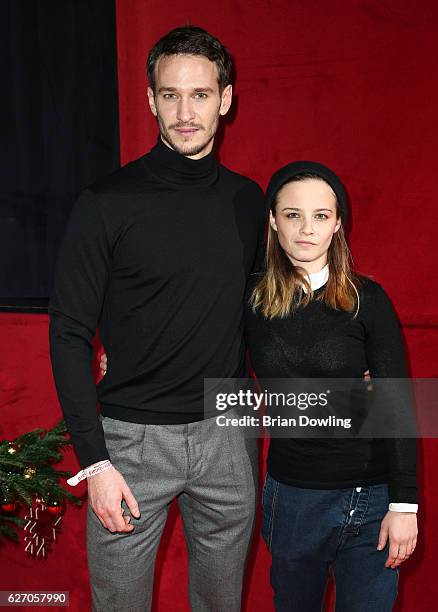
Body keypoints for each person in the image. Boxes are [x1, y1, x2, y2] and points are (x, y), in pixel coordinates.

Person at [49, 25, 265, 612]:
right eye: (170, 94)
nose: (185, 111)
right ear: (150, 99)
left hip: (229, 436)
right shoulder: (106, 203)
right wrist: (95, 460)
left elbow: (263, 316)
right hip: (129, 445)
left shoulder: (251, 202)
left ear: (226, 99)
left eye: (200, 95)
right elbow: (68, 333)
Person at [243, 161, 419, 611]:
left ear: (338, 224)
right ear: (272, 221)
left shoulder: (368, 300)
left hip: (373, 498)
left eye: (321, 215)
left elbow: (396, 404)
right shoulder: (251, 301)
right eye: (293, 214)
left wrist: (404, 506)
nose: (307, 228)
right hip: (296, 498)